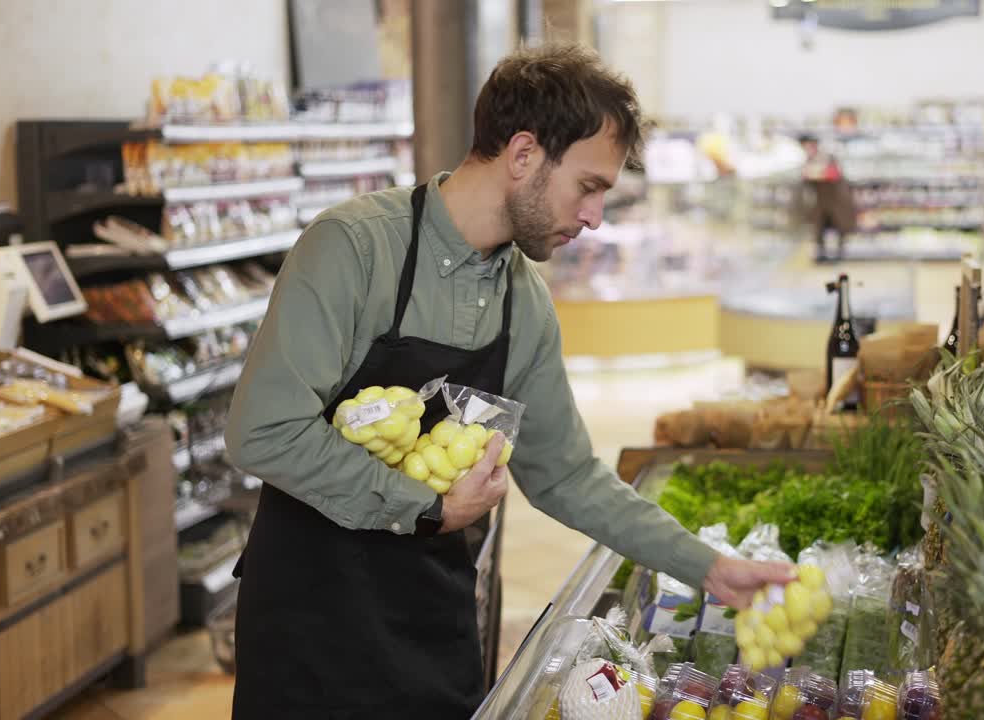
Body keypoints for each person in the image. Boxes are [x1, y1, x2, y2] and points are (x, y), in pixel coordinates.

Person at [223, 43, 793, 719]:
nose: (594, 217)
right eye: (589, 186)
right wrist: (424, 505)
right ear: (523, 155)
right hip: (308, 627)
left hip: (432, 626)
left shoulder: (524, 304)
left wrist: (707, 566)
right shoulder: (353, 249)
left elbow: (566, 475)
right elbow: (263, 430)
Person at [798, 133, 856, 261]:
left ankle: (838, 254)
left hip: (837, 199)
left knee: (839, 226)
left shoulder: (828, 157)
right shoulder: (807, 160)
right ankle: (821, 254)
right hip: (820, 201)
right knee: (820, 228)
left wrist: (816, 173)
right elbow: (805, 177)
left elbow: (834, 174)